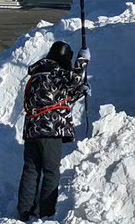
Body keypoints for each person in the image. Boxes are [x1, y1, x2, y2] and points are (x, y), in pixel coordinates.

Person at [16, 39, 87, 221]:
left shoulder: (38, 74)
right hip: (50, 130)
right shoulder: (56, 71)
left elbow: (55, 100)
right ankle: (46, 213)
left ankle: (24, 212)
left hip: (32, 129)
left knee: (31, 170)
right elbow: (74, 79)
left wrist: (79, 92)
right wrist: (82, 61)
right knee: (51, 171)